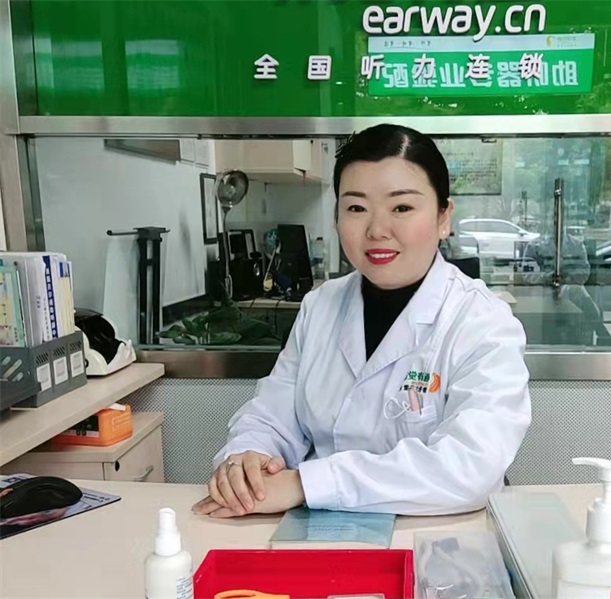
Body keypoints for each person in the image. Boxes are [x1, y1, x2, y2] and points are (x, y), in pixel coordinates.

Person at [192, 124, 531, 518]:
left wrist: (306, 484)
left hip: (438, 534)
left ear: (443, 217)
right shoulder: (320, 306)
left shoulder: (481, 321)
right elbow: (274, 414)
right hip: (317, 532)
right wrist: (248, 459)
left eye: (401, 208)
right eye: (356, 208)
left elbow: (470, 467)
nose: (377, 230)